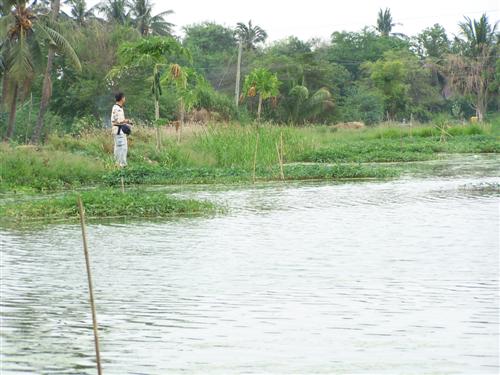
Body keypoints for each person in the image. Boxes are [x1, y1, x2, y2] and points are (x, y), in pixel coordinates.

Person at [111, 92, 132, 167]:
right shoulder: (118, 108)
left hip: (117, 131)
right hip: (119, 131)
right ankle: (122, 165)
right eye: (124, 97)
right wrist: (128, 121)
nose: (125, 99)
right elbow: (119, 121)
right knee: (122, 148)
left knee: (117, 148)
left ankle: (117, 165)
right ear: (122, 98)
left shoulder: (116, 107)